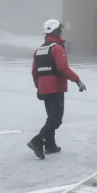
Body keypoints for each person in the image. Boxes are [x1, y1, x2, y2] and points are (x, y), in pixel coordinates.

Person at [28, 19, 86, 159]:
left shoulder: (39, 50)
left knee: (50, 117)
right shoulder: (57, 48)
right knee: (55, 120)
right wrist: (77, 80)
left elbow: (34, 72)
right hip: (55, 88)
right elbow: (62, 68)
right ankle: (37, 141)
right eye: (60, 30)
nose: (61, 32)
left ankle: (50, 146)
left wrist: (39, 86)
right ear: (56, 31)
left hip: (44, 88)